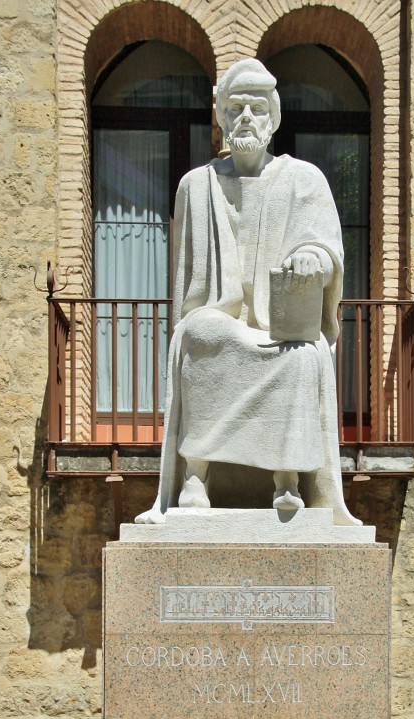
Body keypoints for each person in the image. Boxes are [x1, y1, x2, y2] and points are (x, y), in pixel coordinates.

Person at [136, 58, 360, 526]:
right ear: (219, 117)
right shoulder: (195, 187)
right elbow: (188, 291)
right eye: (235, 107)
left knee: (301, 353)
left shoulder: (304, 180)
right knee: (199, 335)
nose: (245, 118)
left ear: (273, 118)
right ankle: (195, 478)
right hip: (223, 318)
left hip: (278, 325)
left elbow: (325, 249)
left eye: (257, 108)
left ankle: (287, 483)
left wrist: (312, 259)